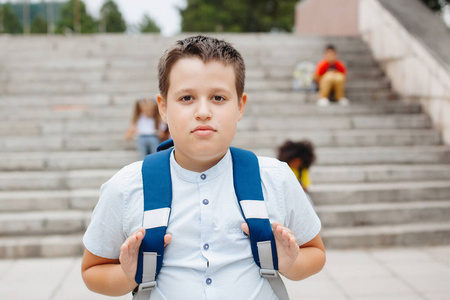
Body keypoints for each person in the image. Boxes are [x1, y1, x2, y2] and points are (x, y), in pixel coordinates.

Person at [81, 35, 325, 299]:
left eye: (218, 97)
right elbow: (93, 271)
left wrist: (290, 263)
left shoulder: (275, 178)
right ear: (163, 107)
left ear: (240, 106)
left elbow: (315, 252)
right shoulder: (127, 187)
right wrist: (128, 275)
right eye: (186, 98)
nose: (203, 112)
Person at [277, 140, 316, 208]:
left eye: (298, 162)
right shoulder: (283, 168)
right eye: (294, 161)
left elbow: (305, 186)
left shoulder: (302, 170)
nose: (296, 163)